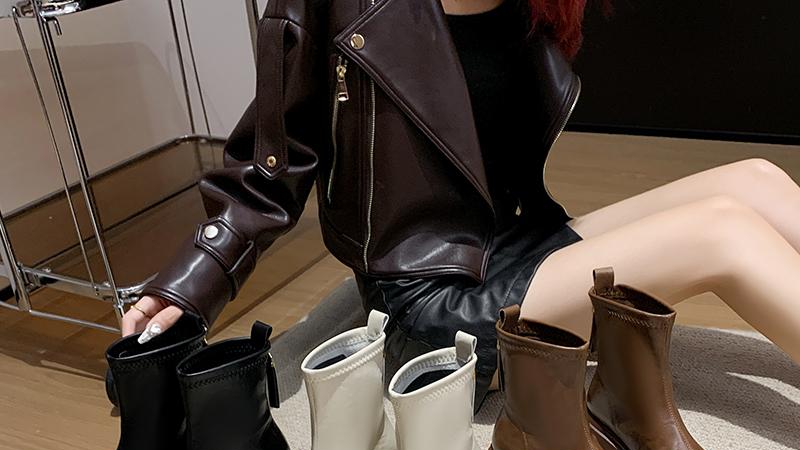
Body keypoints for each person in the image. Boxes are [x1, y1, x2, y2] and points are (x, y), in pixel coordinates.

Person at [124, 0, 800, 408]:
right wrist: (193, 281)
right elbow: (272, 162)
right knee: (723, 235)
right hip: (428, 298)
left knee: (755, 180)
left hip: (513, 241)